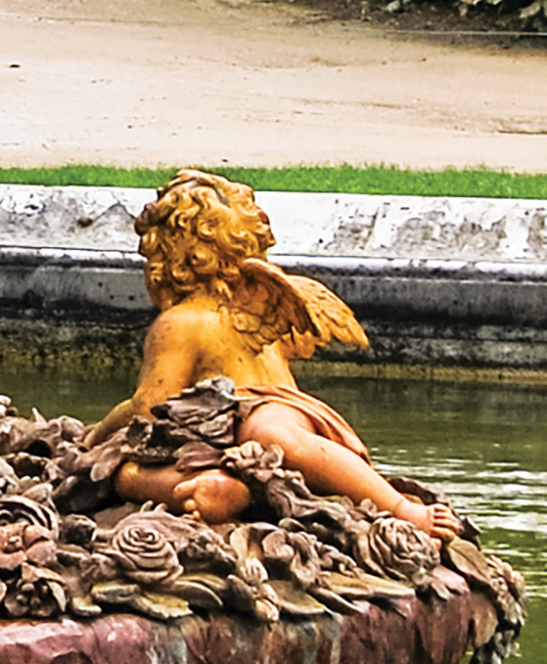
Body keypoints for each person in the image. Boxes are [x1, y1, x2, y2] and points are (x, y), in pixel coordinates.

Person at [89, 169, 457, 536]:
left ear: (165, 254)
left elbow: (150, 406)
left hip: (267, 407)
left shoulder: (179, 323)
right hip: (212, 444)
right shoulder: (247, 305)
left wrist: (97, 435)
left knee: (266, 435)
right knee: (123, 472)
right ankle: (220, 486)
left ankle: (401, 507)